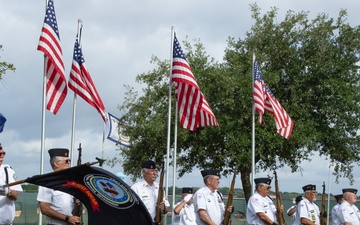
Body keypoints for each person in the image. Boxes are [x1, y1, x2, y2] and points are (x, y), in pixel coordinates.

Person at [37, 148, 81, 225]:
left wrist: (77, 201)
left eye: (69, 161)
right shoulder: (47, 182)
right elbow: (44, 209)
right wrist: (67, 218)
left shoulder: (70, 182)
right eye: (66, 161)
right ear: (56, 164)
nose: (69, 164)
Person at [0, 143, 23, 225]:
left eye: (3, 153)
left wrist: (6, 191)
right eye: (0, 154)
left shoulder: (7, 171)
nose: (2, 156)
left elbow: (15, 195)